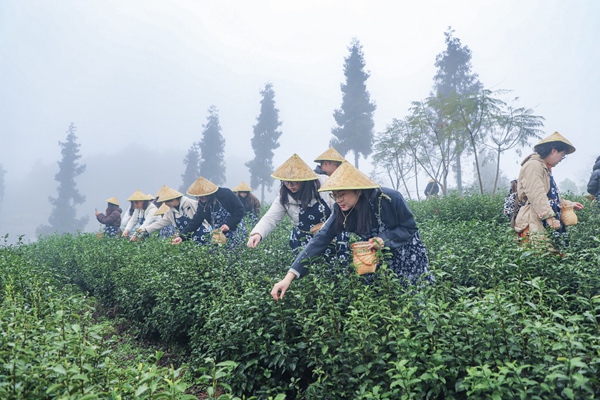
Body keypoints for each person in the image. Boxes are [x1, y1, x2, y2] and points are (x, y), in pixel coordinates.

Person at [271, 161, 433, 301]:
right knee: (381, 298)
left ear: (358, 190)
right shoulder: (341, 210)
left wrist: (384, 239)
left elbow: (409, 228)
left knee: (413, 297)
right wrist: (289, 277)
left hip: (407, 255)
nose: (338, 200)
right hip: (379, 258)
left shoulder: (390, 198)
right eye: (334, 195)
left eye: (342, 194)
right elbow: (320, 239)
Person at [247, 153, 335, 255]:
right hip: (302, 241)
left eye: (294, 182)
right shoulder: (284, 196)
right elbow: (270, 218)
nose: (290, 185)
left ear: (305, 180)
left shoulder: (323, 184)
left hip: (329, 237)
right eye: (286, 182)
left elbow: (338, 210)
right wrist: (258, 233)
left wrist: (328, 227)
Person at [513, 132, 584, 250]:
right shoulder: (533, 165)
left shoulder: (545, 168)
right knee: (539, 256)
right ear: (553, 150)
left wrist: (569, 204)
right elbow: (536, 194)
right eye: (562, 155)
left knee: (555, 256)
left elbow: (552, 196)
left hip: (546, 218)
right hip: (535, 218)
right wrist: (549, 217)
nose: (562, 159)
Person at [172, 176, 247, 249]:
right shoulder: (202, 205)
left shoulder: (225, 194)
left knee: (236, 253)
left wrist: (229, 224)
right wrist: (181, 236)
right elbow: (195, 222)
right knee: (218, 254)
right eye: (199, 196)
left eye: (203, 195)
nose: (201, 198)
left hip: (235, 229)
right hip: (219, 234)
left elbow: (239, 209)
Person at [137, 186, 208, 242]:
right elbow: (160, 223)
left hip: (201, 234)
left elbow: (203, 216)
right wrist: (145, 229)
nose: (166, 204)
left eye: (167, 202)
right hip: (185, 237)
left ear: (175, 199)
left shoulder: (190, 203)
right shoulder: (170, 212)